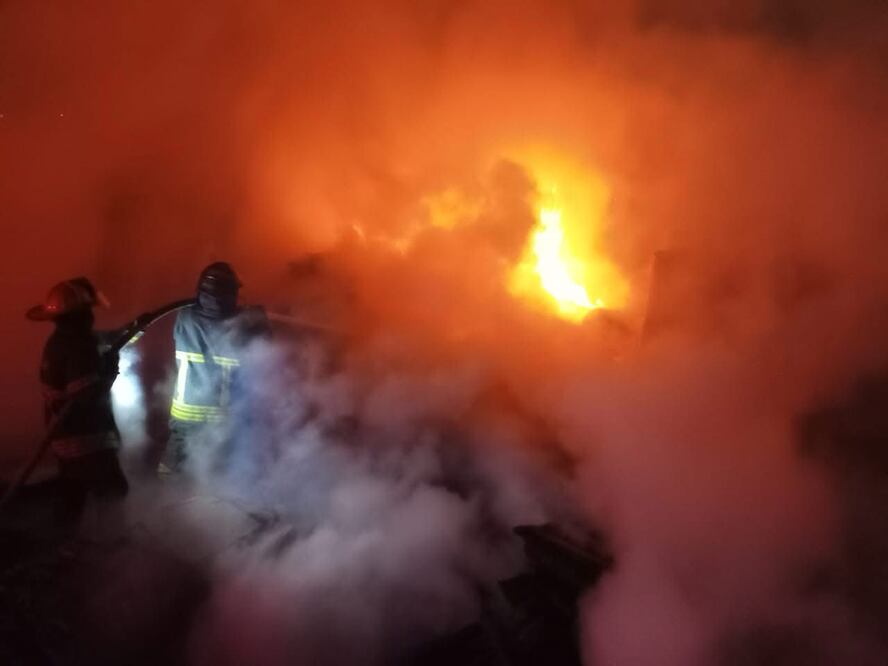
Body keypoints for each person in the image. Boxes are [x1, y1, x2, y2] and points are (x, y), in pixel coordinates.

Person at [26, 277, 129, 532]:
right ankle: (112, 544)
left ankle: (63, 541)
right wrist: (110, 371)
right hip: (86, 438)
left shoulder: (60, 340)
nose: (91, 316)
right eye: (88, 310)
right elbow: (86, 395)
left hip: (66, 438)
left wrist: (129, 330)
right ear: (80, 314)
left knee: (73, 493)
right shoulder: (78, 345)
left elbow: (99, 340)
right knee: (113, 490)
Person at [161, 262, 271, 475]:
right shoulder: (244, 325)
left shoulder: (184, 317)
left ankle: (161, 494)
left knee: (171, 474)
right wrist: (260, 319)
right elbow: (267, 352)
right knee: (216, 477)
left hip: (184, 418)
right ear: (231, 294)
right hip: (222, 421)